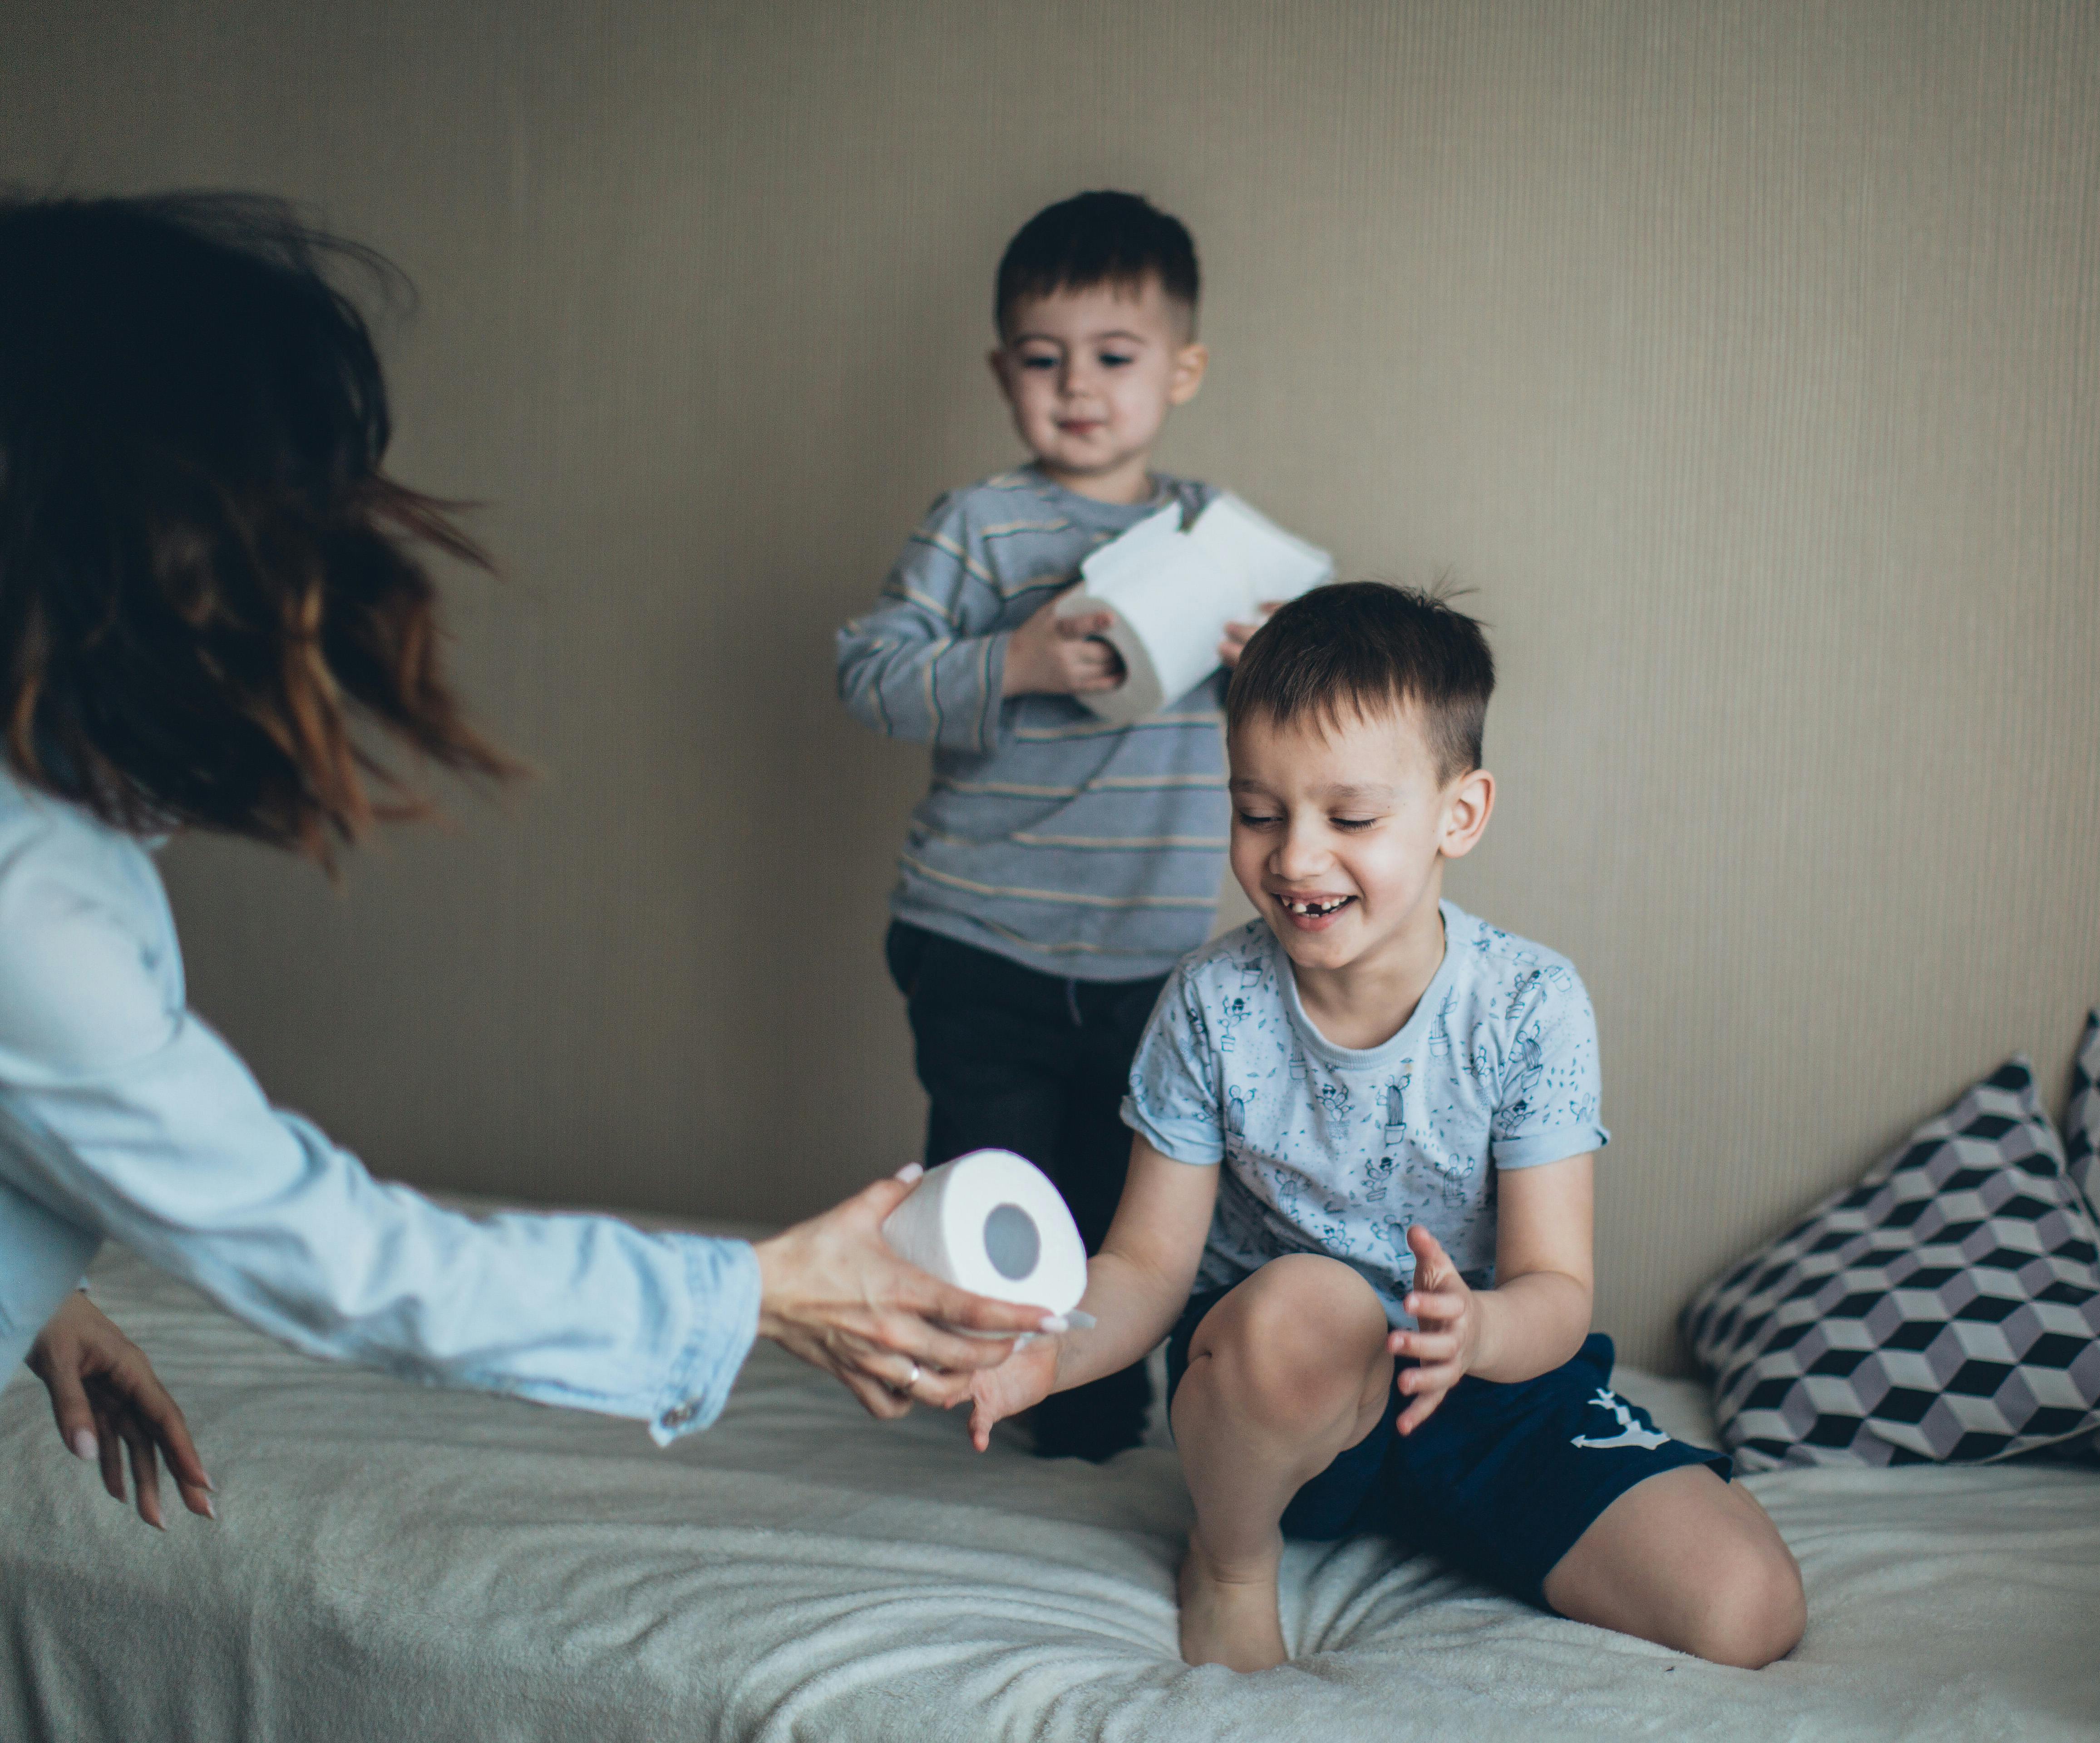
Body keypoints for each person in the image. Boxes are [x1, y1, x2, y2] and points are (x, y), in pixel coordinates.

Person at [0, 192, 1060, 1529]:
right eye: (287, 530)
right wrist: (759, 1294)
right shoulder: (31, 913)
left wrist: (39, 1293)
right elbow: (346, 1259)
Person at [961, 582, 1807, 1669]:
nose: (1295, 858)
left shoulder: (1530, 1005)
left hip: (1485, 1380)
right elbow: (1145, 1266)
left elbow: (1556, 1290)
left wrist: (1480, 1335)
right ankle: (1230, 1558)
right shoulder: (1212, 1004)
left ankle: (1456, 1507)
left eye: (1350, 818)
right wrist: (1045, 1354)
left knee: (1746, 1610)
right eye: (1258, 813)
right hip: (1290, 1396)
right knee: (1314, 1305)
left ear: (1461, 813)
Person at [835, 190, 1276, 1461]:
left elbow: (1290, 742)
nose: (1077, 387)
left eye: (1115, 357)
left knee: (1113, 1202)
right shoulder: (980, 523)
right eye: (1043, 359)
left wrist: (1265, 668)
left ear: (1181, 371)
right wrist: (1013, 661)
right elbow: (868, 671)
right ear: (1001, 371)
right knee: (987, 1193)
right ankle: (949, 1400)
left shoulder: (1212, 544)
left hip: (1147, 957)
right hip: (981, 939)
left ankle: (1084, 1427)